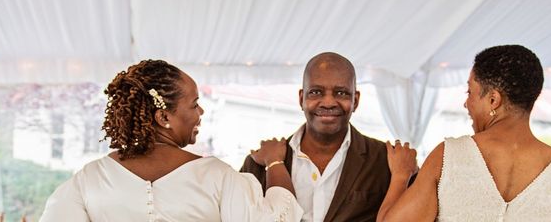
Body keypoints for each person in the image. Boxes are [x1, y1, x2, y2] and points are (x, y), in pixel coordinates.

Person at [39, 59, 303, 222]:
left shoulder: (89, 179)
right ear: (164, 116)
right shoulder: (217, 177)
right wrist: (275, 161)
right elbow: (279, 218)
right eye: (194, 104)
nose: (201, 112)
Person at [377, 45, 551, 222]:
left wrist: (400, 175)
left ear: (493, 100)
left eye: (470, 92)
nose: (466, 103)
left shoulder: (449, 157)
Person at [241, 52, 391, 222]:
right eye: (316, 92)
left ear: (355, 100)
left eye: (341, 93)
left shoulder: (386, 160)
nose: (328, 103)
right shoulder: (259, 164)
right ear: (301, 99)